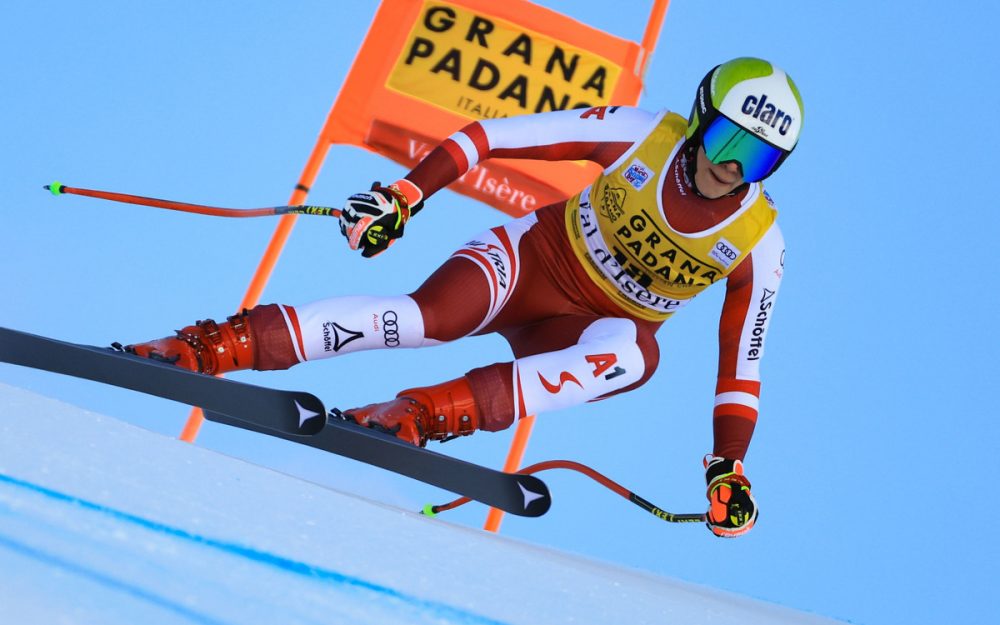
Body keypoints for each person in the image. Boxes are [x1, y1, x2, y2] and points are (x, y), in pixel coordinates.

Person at [122, 57, 802, 538]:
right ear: (698, 118)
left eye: (759, 160)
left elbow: (742, 364)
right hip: (530, 262)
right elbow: (491, 136)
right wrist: (406, 194)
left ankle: (416, 414)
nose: (731, 168)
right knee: (422, 319)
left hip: (585, 332)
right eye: (726, 139)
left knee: (636, 357)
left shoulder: (758, 241)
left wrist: (727, 466)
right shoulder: (637, 133)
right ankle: (206, 347)